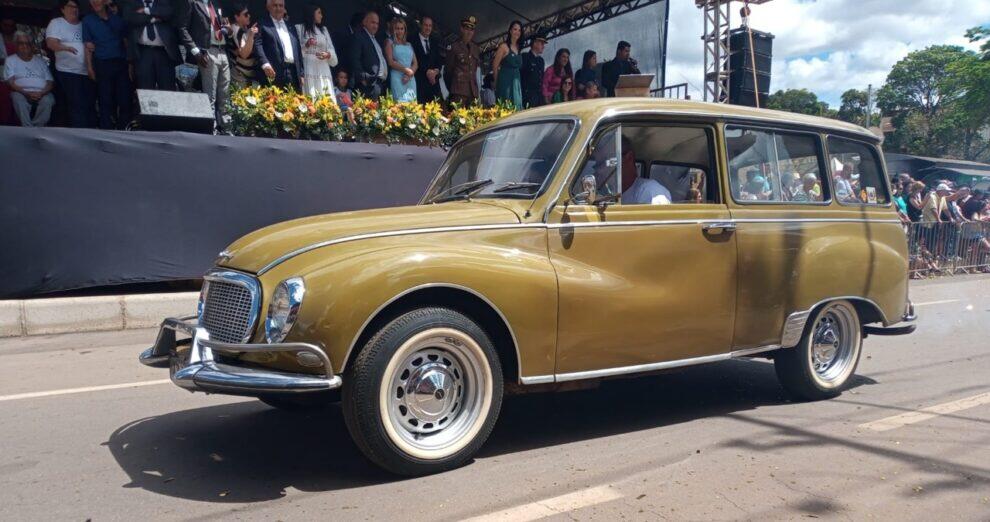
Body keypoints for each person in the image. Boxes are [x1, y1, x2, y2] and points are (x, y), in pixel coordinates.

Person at [179, 0, 231, 131]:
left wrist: (227, 30)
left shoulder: (216, 5)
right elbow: (182, 28)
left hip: (222, 50)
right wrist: (196, 51)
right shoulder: (192, 3)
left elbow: (218, 28)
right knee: (210, 95)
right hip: (207, 52)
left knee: (225, 94)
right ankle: (210, 129)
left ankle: (227, 128)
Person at [46, 0, 96, 127]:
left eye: (76, 7)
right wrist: (65, 48)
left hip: (87, 71)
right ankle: (80, 133)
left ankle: (90, 131)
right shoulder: (57, 23)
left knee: (89, 104)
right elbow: (51, 43)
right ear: (63, 9)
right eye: (71, 6)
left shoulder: (84, 24)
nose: (74, 9)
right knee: (77, 104)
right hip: (68, 71)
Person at [83, 0, 132, 129]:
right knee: (105, 99)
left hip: (121, 63)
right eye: (92, 2)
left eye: (97, 0)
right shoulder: (88, 20)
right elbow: (87, 45)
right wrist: (89, 67)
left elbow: (126, 42)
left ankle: (124, 130)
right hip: (102, 63)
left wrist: (131, 65)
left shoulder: (117, 19)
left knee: (124, 99)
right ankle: (106, 131)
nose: (94, 3)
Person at [121, 0, 179, 91]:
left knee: (168, 89)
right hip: (143, 53)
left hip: (164, 53)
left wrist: (146, 10)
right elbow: (130, 18)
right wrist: (154, 19)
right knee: (145, 89)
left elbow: (168, 12)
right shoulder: (132, 3)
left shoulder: (164, 2)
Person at [4, 32, 55, 126]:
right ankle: (27, 128)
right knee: (18, 99)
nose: (25, 46)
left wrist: (42, 93)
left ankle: (36, 128)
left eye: (27, 43)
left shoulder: (40, 61)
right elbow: (10, 82)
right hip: (21, 92)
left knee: (48, 100)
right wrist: (26, 93)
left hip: (41, 93)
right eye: (21, 43)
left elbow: (50, 82)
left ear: (31, 45)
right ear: (15, 45)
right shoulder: (10, 60)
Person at [253, 0, 303, 91]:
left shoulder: (291, 26)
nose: (278, 8)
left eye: (281, 5)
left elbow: (298, 49)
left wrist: (301, 73)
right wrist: (265, 64)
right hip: (273, 72)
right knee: (274, 103)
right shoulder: (263, 24)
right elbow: (257, 45)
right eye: (275, 5)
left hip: (293, 73)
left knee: (294, 103)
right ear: (268, 7)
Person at [296, 4, 336, 99]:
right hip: (308, 67)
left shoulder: (324, 30)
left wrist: (328, 54)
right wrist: (307, 45)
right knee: (311, 95)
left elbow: (331, 49)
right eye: (319, 13)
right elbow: (296, 52)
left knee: (325, 94)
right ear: (311, 13)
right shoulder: (299, 28)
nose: (321, 16)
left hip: (323, 68)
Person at [620, 136, 671, 205]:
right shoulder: (607, 196)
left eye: (608, 161)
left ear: (629, 158)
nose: (600, 170)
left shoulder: (651, 192)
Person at [348, 10, 387, 100]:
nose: (375, 26)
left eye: (377, 23)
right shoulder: (359, 36)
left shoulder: (375, 39)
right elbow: (354, 59)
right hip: (367, 85)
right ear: (365, 22)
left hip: (378, 84)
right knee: (366, 113)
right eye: (373, 22)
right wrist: (363, 78)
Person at [445, 16, 480, 106]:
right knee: (458, 119)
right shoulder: (454, 47)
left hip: (473, 93)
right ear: (461, 29)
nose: (469, 32)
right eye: (467, 29)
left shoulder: (475, 48)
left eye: (471, 30)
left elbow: (474, 70)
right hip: (458, 92)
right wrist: (453, 89)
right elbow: (448, 72)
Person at [491, 20, 522, 110]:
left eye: (519, 30)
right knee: (506, 106)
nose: (517, 32)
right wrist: (497, 82)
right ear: (510, 31)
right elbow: (495, 65)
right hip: (505, 81)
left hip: (516, 82)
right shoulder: (503, 46)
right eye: (515, 29)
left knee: (517, 106)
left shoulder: (519, 47)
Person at [410, 15, 441, 104]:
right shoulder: (412, 39)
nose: (428, 28)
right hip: (419, 84)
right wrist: (427, 71)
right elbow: (412, 61)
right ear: (421, 25)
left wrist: (435, 71)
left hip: (433, 85)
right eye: (425, 25)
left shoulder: (435, 41)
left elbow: (439, 61)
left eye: (430, 26)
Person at [225, 3, 257, 88]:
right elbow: (244, 54)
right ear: (237, 17)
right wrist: (251, 36)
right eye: (245, 14)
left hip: (247, 75)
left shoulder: (244, 30)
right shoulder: (237, 30)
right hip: (240, 76)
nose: (249, 16)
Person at [384, 16, 416, 102]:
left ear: (405, 30)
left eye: (402, 28)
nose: (400, 31)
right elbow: (390, 62)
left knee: (412, 106)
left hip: (410, 78)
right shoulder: (389, 42)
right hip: (397, 78)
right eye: (397, 28)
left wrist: (410, 73)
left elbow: (415, 63)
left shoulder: (409, 44)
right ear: (393, 29)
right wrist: (406, 71)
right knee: (399, 105)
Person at [519, 33, 545, 109]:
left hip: (539, 97)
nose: (543, 46)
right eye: (541, 43)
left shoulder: (541, 60)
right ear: (534, 43)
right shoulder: (525, 57)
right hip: (528, 96)